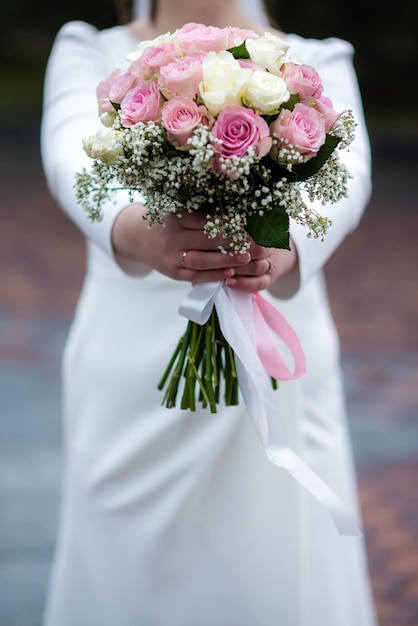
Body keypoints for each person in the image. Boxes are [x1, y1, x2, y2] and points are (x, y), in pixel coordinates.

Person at [40, 0, 378, 624]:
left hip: (278, 358)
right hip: (131, 368)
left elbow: (349, 175)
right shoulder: (90, 49)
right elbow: (72, 157)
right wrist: (141, 231)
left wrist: (285, 245)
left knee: (279, 557)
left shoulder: (317, 60)